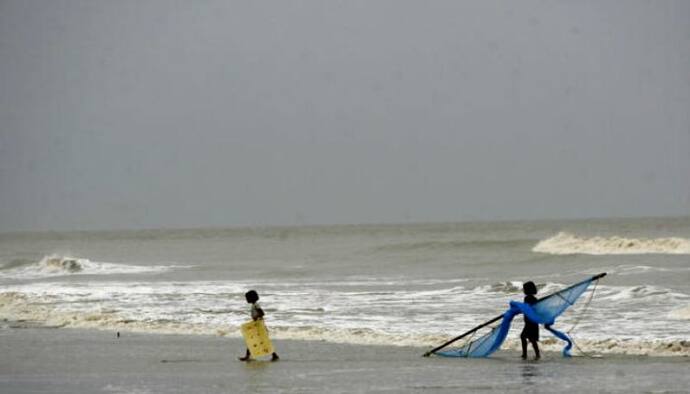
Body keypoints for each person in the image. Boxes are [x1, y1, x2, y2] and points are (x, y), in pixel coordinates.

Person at [239, 290, 280, 362]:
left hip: (259, 326)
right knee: (252, 340)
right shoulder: (254, 305)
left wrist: (256, 317)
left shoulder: (256, 305)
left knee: (260, 341)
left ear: (251, 298)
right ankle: (248, 356)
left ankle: (274, 355)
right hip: (257, 325)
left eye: (247, 298)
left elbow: (262, 313)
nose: (246, 300)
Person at [520, 281, 540, 360]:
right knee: (532, 339)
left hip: (530, 322)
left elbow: (527, 308)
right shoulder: (534, 299)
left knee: (524, 337)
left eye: (524, 289)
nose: (523, 290)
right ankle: (537, 354)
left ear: (528, 290)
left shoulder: (527, 298)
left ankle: (525, 354)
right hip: (533, 322)